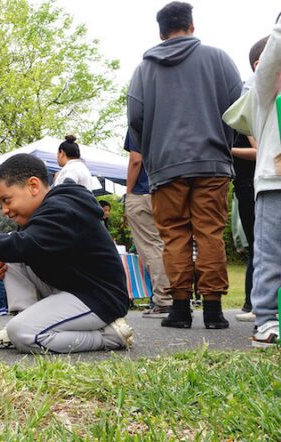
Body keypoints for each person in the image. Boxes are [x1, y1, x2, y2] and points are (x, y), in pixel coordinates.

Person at [0, 154, 133, 353]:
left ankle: (108, 336)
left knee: (24, 334)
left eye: (7, 200)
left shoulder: (61, 210)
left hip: (99, 298)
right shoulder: (44, 214)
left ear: (33, 186)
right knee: (10, 258)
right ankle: (27, 319)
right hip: (75, 289)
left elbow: (21, 245)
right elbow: (21, 246)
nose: (5, 210)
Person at [127, 2, 241, 329]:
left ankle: (179, 310)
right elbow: (238, 107)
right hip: (213, 162)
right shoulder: (218, 59)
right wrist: (223, 139)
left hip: (165, 166)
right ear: (191, 26)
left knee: (175, 235)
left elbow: (135, 118)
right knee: (209, 233)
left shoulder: (143, 70)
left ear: (161, 32)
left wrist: (151, 150)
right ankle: (214, 311)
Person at [227, 20, 281, 347]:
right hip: (275, 185)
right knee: (270, 256)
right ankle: (266, 320)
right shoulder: (263, 96)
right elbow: (273, 52)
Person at [232, 37, 267, 323]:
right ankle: (255, 305)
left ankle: (254, 304)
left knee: (261, 244)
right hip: (252, 183)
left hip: (255, 182)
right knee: (260, 243)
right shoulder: (250, 100)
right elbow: (260, 149)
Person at [123, 132, 171, 318]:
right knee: (169, 245)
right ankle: (179, 297)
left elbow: (136, 159)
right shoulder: (168, 117)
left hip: (143, 192)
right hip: (168, 190)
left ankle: (164, 300)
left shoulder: (139, 120)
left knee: (150, 248)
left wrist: (128, 194)